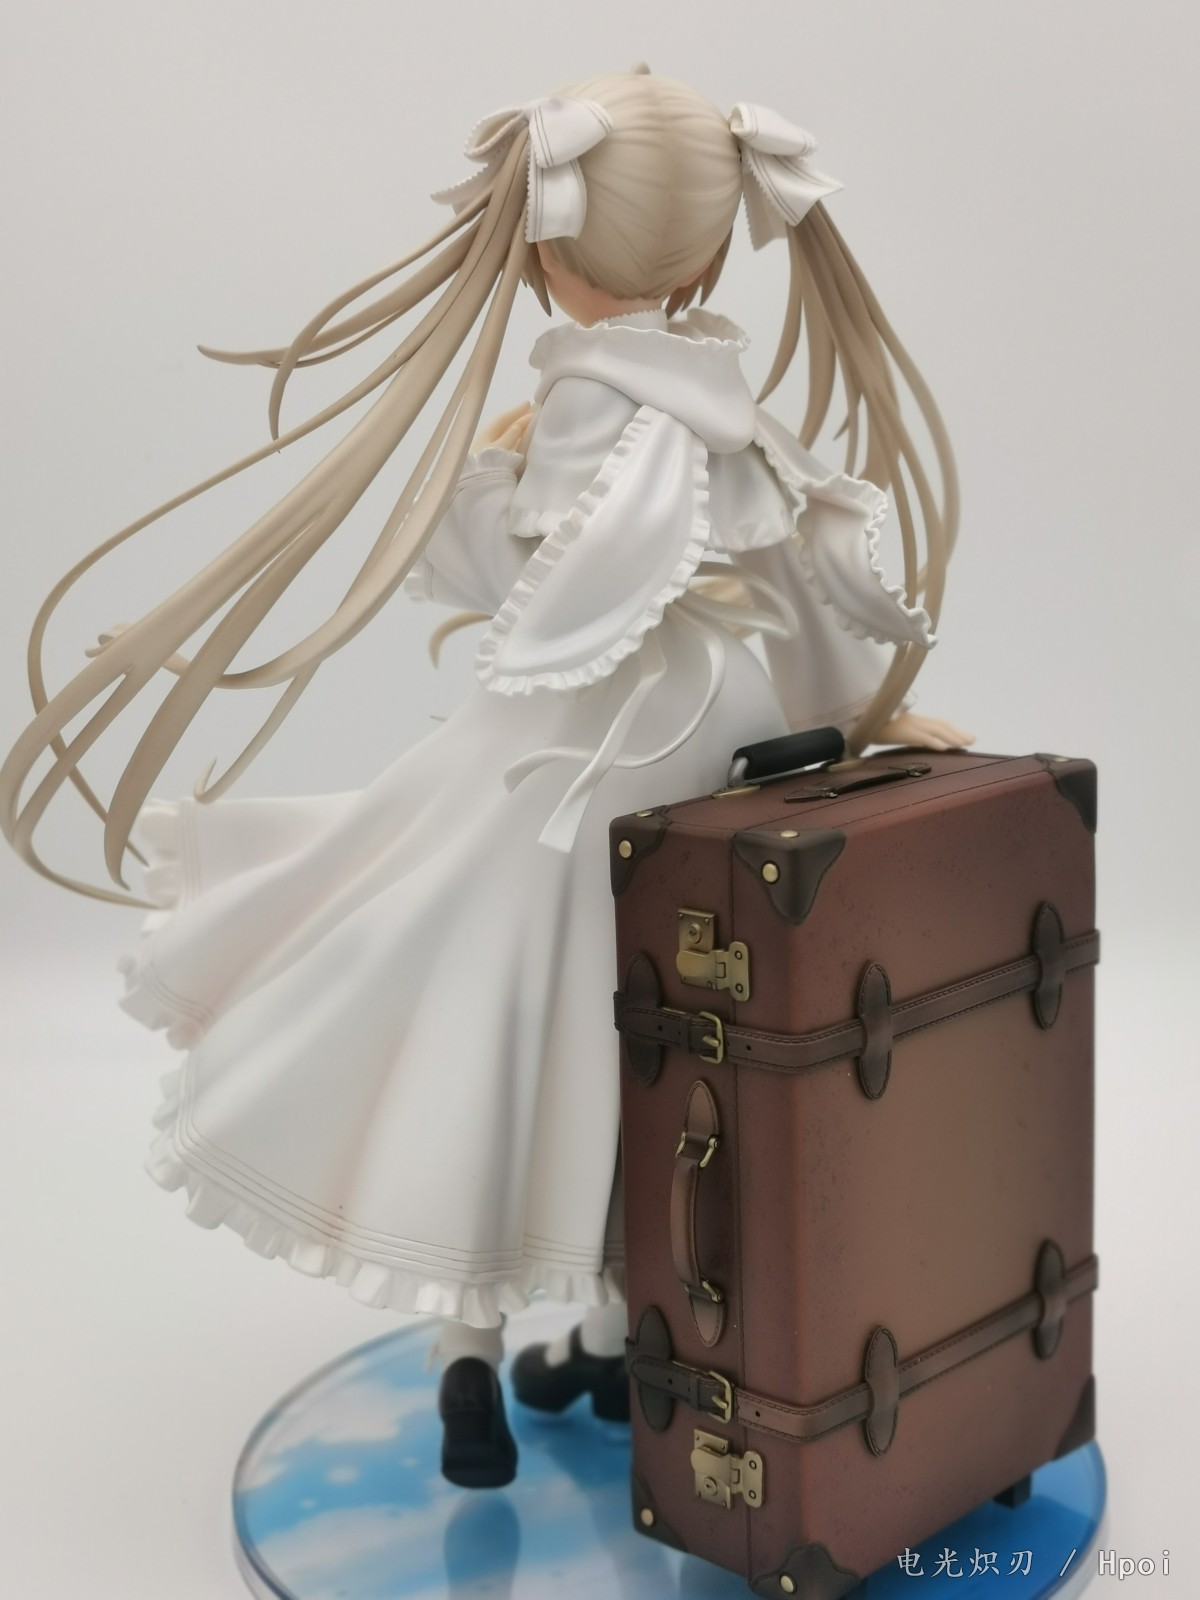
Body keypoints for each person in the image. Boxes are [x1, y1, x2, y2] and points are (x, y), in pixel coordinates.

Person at [0, 69, 971, 1488]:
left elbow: (524, 579)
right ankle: (607, 1338)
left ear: (547, 247)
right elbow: (792, 579)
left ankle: (475, 1359)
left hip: (573, 758)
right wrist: (860, 715)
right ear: (711, 247)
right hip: (707, 742)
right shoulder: (724, 400)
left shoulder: (584, 400)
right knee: (648, 1051)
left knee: (490, 1031)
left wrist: (476, 481)